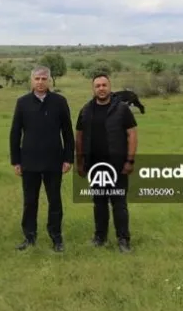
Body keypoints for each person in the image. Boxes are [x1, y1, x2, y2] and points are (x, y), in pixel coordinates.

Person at [9, 66, 75, 252]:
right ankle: (29, 237)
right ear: (32, 81)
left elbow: (68, 132)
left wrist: (68, 158)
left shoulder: (59, 102)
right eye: (37, 78)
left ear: (49, 81)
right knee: (30, 201)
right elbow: (15, 132)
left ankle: (56, 238)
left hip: (54, 160)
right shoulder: (22, 103)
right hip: (29, 161)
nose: (40, 82)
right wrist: (16, 160)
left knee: (55, 201)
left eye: (43, 79)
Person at [75, 73, 137, 253]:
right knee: (99, 203)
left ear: (110, 87)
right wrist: (80, 161)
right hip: (95, 166)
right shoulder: (86, 110)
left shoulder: (122, 109)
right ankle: (100, 237)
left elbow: (132, 134)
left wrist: (130, 160)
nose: (101, 88)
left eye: (104, 85)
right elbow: (79, 136)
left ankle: (123, 240)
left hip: (117, 166)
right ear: (93, 88)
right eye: (97, 86)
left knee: (119, 203)